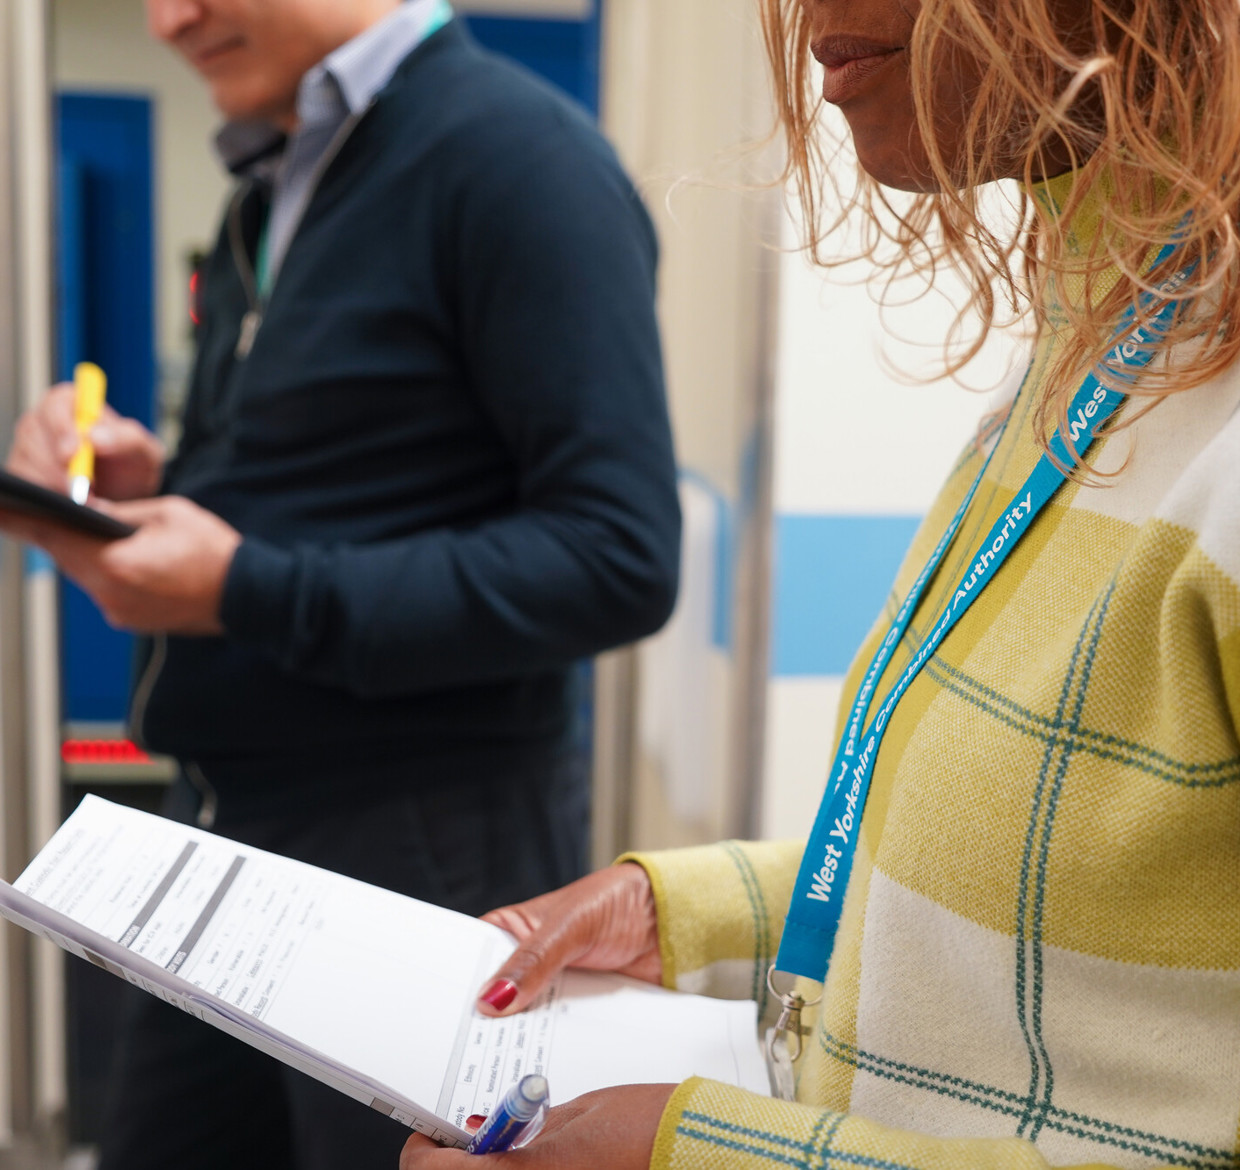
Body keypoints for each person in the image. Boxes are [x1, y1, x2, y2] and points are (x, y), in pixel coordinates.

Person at [399, 0, 1240, 1167]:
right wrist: (689, 917)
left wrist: (698, 1156)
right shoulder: (1101, 345)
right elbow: (1057, 902)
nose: (807, 24)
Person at [4, 0, 679, 1167]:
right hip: (232, 831)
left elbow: (617, 556)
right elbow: (349, 480)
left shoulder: (521, 162)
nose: (167, 19)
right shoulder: (271, 186)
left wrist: (247, 588)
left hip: (422, 851)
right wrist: (157, 479)